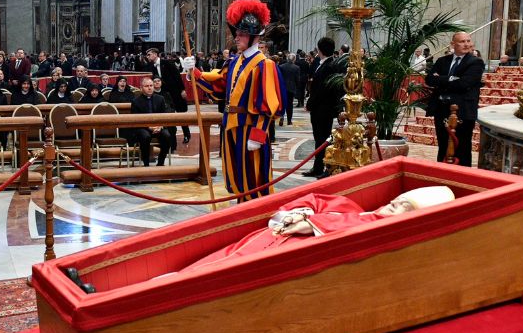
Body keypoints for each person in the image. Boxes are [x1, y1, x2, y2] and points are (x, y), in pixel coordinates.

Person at [179, 186, 455, 273]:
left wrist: (312, 225)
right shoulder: (351, 208)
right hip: (270, 238)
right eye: (394, 201)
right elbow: (315, 200)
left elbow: (370, 228)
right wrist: (302, 214)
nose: (390, 206)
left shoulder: (375, 230)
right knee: (221, 256)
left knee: (222, 270)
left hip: (283, 259)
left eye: (400, 207)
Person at [188, 0, 285, 201]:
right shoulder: (235, 62)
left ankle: (256, 216)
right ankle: (243, 208)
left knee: (255, 179)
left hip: (250, 129)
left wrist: (258, 135)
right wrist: (195, 73)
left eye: (242, 34)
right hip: (231, 127)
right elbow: (220, 86)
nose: (237, 38)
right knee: (238, 178)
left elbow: (269, 105)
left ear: (254, 37)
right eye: (237, 33)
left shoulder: (264, 65)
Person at [425, 31, 485, 167]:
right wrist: (450, 78)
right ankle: (442, 173)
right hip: (441, 109)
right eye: (462, 41)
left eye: (468, 41)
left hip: (462, 110)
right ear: (453, 44)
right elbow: (429, 79)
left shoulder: (475, 62)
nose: (466, 44)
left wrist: (440, 79)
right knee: (443, 144)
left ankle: (461, 177)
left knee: (462, 147)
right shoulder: (442, 61)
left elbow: (464, 84)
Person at [304, 37, 344, 178]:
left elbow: (321, 89)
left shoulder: (329, 66)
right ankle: (317, 167)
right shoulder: (323, 63)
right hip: (320, 108)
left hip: (323, 108)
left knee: (322, 139)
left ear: (320, 49)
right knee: (319, 139)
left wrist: (310, 103)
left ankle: (324, 168)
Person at [147, 47, 190, 145]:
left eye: (149, 54)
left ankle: (186, 134)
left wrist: (182, 89)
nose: (148, 57)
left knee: (181, 114)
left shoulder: (167, 63)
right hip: (165, 94)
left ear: (155, 54)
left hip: (175, 92)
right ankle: (170, 139)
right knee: (168, 114)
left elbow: (177, 76)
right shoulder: (152, 66)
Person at [131, 77, 171, 166]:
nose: (149, 88)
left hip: (158, 127)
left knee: (167, 135)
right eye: (146, 86)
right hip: (142, 128)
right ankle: (146, 164)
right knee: (145, 136)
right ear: (141, 88)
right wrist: (149, 127)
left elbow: (163, 115)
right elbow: (136, 120)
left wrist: (160, 126)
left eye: (151, 85)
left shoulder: (160, 99)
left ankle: (161, 162)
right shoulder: (135, 101)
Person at [278, 53, 300, 126]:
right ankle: (289, 120)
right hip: (291, 88)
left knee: (282, 103)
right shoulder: (296, 68)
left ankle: (281, 116)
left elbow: (279, 77)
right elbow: (297, 79)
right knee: (289, 104)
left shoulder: (281, 66)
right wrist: (296, 87)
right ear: (294, 59)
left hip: (282, 88)